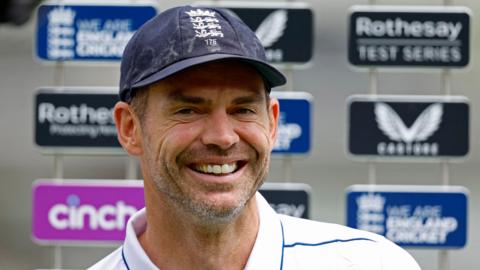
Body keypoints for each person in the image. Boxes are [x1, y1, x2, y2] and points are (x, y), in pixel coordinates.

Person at [90, 5, 420, 270]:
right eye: (189, 110)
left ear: (272, 123)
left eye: (243, 109)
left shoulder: (371, 263)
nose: (222, 137)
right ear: (129, 128)